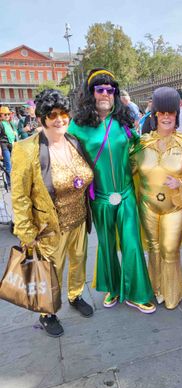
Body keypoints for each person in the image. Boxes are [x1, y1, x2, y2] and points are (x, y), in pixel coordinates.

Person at [68, 68, 156, 314]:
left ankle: (137, 293)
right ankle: (113, 288)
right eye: (100, 89)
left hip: (126, 193)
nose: (105, 93)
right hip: (100, 198)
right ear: (91, 93)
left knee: (131, 243)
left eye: (110, 89)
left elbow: (139, 150)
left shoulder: (124, 121)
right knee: (106, 245)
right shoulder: (77, 126)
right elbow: (69, 160)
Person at [11, 89, 94, 338]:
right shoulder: (26, 150)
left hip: (78, 219)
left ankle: (75, 295)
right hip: (49, 227)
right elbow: (20, 195)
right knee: (50, 271)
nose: (59, 119)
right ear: (42, 119)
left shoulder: (73, 141)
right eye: (52, 115)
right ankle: (47, 313)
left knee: (79, 261)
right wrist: (26, 233)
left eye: (63, 113)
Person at [132, 87, 182, 309]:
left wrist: (180, 182)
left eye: (170, 113)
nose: (166, 117)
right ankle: (155, 288)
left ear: (176, 115)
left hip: (175, 206)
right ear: (155, 116)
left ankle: (172, 293)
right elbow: (125, 170)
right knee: (153, 248)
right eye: (161, 113)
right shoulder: (142, 144)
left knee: (170, 250)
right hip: (147, 205)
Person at [0, 106, 18, 187]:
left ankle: (15, 182)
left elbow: (16, 134)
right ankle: (10, 184)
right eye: (5, 114)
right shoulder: (1, 124)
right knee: (8, 165)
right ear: (1, 115)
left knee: (15, 164)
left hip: (13, 145)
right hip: (4, 145)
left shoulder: (11, 123)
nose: (7, 116)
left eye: (8, 114)